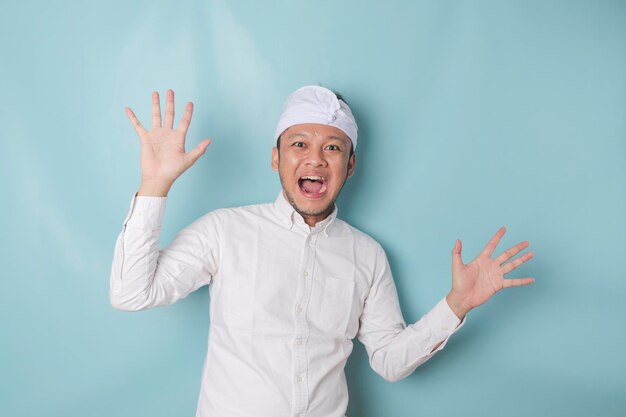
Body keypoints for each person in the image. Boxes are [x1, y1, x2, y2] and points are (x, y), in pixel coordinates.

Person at [110, 86, 535, 417]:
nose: (315, 159)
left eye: (332, 147)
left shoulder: (367, 255)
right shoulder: (225, 230)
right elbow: (132, 293)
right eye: (299, 144)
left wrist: (456, 305)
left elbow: (389, 360)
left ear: (349, 166)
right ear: (275, 158)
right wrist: (155, 184)